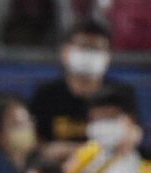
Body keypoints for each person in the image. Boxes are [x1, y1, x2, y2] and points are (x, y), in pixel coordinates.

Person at [30, 17, 138, 164]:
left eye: (96, 49)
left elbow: (130, 138)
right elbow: (37, 145)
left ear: (108, 56)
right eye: (83, 47)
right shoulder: (45, 94)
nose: (89, 55)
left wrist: (68, 150)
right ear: (65, 52)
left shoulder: (121, 93)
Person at [60, 84, 151, 173]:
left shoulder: (145, 157)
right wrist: (103, 159)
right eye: (97, 120)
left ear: (130, 121)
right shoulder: (85, 157)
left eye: (109, 118)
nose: (103, 126)